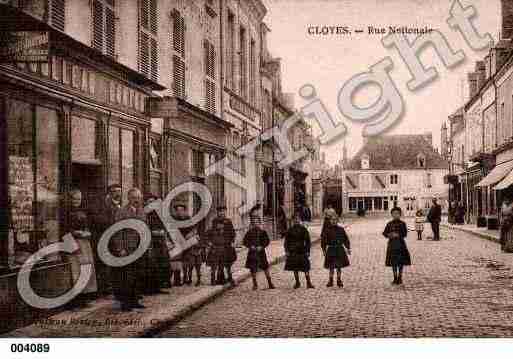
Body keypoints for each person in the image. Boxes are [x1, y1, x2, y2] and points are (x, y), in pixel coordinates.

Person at [111, 188, 147, 311]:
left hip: (139, 248)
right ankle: (126, 303)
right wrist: (120, 249)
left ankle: (135, 300)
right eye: (134, 198)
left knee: (138, 275)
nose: (136, 200)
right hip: (127, 248)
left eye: (138, 198)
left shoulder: (142, 212)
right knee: (127, 276)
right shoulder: (121, 212)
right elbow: (117, 231)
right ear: (129, 198)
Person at [67, 189, 98, 305]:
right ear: (70, 199)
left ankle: (85, 295)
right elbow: (64, 229)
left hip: (84, 243)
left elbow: (89, 225)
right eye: (74, 199)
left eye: (78, 199)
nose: (76, 201)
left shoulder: (84, 211)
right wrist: (75, 233)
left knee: (86, 268)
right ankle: (76, 299)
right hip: (72, 243)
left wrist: (88, 232)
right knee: (75, 270)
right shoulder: (65, 212)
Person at [92, 183, 122, 295]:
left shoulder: (120, 205)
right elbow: (101, 221)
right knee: (105, 264)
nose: (117, 194)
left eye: (119, 191)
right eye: (114, 191)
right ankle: (104, 289)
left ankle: (113, 287)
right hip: (106, 239)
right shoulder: (105, 206)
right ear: (109, 193)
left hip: (117, 239)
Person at [143, 193, 170, 294]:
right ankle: (148, 288)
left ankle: (158, 286)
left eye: (153, 202)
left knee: (161, 264)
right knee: (150, 265)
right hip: (150, 243)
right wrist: (152, 232)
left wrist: (164, 233)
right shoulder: (144, 214)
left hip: (160, 242)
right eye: (149, 202)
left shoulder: (158, 214)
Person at [243, 208, 275, 290]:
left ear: (259, 223)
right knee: (253, 269)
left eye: (257, 222)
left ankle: (270, 282)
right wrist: (251, 246)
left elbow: (267, 241)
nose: (255, 224)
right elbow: (245, 241)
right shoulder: (249, 232)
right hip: (252, 253)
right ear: (252, 224)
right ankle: (255, 284)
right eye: (254, 223)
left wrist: (262, 246)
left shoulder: (262, 232)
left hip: (261, 253)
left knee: (265, 267)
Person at [205, 205, 237, 286]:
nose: (222, 213)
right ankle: (217, 279)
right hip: (217, 245)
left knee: (228, 263)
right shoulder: (214, 221)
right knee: (216, 263)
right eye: (220, 211)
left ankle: (229, 278)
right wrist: (210, 242)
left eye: (223, 211)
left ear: (225, 212)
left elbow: (232, 232)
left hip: (227, 245)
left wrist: (232, 241)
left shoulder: (228, 221)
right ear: (217, 212)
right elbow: (211, 233)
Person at [174, 203, 204, 286]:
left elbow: (194, 230)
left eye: (181, 210)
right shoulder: (174, 220)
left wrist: (189, 236)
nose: (180, 212)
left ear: (184, 211)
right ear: (176, 212)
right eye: (178, 210)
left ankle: (188, 278)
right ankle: (181, 278)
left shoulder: (188, 219)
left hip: (188, 243)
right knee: (180, 261)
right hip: (179, 243)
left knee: (188, 261)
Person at [284, 210, 314, 289]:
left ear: (300, 220)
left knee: (306, 267)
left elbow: (308, 241)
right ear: (293, 221)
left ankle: (308, 282)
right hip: (293, 251)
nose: (296, 221)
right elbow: (286, 241)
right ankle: (297, 282)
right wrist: (287, 250)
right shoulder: (290, 230)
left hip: (302, 250)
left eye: (298, 219)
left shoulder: (303, 229)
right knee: (295, 267)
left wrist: (307, 251)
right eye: (295, 219)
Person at [383, 207, 411, 285]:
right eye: (394, 214)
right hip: (392, 245)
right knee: (393, 262)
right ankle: (395, 278)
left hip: (401, 245)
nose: (396, 215)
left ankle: (400, 277)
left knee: (401, 262)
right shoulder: (389, 224)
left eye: (397, 214)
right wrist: (389, 235)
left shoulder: (402, 223)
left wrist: (398, 235)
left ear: (400, 214)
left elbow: (405, 234)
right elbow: (384, 233)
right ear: (391, 215)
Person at [321, 212, 351, 287]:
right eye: (332, 220)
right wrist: (324, 250)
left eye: (335, 220)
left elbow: (345, 239)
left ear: (337, 220)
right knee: (331, 266)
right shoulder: (327, 230)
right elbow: (324, 241)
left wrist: (348, 248)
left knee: (339, 266)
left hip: (339, 250)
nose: (334, 221)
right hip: (331, 250)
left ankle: (339, 279)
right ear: (330, 221)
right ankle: (330, 280)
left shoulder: (341, 229)